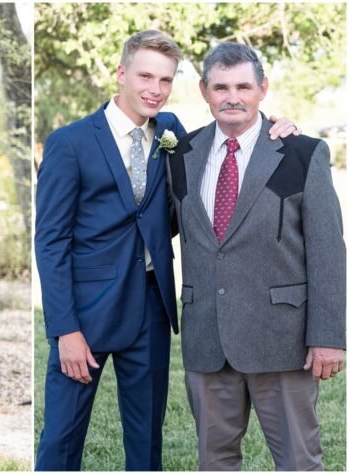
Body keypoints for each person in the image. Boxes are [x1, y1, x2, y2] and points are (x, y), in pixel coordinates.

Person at [34, 30, 298, 471]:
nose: (154, 90)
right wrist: (65, 330)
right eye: (144, 76)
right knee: (61, 438)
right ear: (121, 74)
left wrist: (275, 125)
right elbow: (51, 241)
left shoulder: (172, 132)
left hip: (151, 310)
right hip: (86, 314)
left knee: (146, 441)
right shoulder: (70, 143)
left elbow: (231, 132)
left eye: (165, 80)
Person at [166, 42, 345, 471]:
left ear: (262, 89)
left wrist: (328, 336)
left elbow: (328, 250)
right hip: (207, 337)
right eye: (221, 86)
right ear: (204, 91)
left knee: (299, 461)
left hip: (282, 339)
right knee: (215, 461)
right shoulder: (179, 156)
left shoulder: (302, 153)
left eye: (244, 86)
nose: (233, 97)